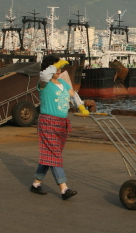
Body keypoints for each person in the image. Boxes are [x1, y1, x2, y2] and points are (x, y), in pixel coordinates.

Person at [30, 55, 89, 200]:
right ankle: (64, 189)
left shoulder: (63, 83)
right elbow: (44, 75)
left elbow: (73, 96)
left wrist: (81, 107)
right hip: (48, 122)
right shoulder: (44, 83)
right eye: (56, 67)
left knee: (50, 156)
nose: (58, 70)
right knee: (55, 155)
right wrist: (55, 66)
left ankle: (36, 184)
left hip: (62, 124)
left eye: (60, 67)